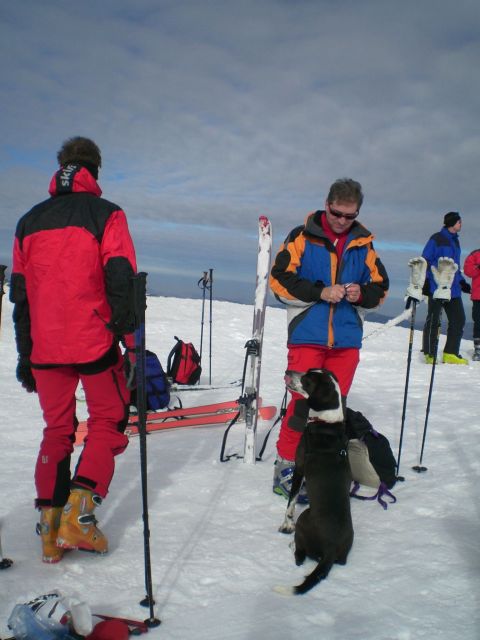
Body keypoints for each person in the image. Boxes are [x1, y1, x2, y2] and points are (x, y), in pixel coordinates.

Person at [10, 137, 137, 563]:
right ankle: (77, 518)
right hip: (93, 341)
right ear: (94, 171)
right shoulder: (107, 214)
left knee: (57, 429)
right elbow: (121, 278)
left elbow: (20, 296)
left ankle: (50, 530)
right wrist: (131, 342)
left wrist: (25, 355)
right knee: (109, 420)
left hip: (44, 346)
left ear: (61, 167)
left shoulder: (28, 222)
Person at [269, 178, 389, 499]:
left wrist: (361, 293)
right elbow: (279, 280)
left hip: (346, 342)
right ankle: (286, 466)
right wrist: (319, 292)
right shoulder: (302, 236)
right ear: (327, 205)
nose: (342, 221)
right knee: (301, 405)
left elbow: (380, 289)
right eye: (337, 214)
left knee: (334, 409)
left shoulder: (364, 245)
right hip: (307, 336)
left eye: (350, 216)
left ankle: (323, 467)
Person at [421, 212, 471, 365]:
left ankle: (450, 353)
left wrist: (462, 282)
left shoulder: (455, 241)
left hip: (453, 289)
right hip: (436, 286)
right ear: (452, 223)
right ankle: (429, 353)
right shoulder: (437, 238)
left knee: (459, 319)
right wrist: (426, 281)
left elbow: (455, 266)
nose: (461, 224)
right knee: (434, 319)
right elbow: (425, 260)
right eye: (459, 221)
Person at [463, 247, 480, 361]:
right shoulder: (475, 254)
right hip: (478, 295)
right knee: (478, 322)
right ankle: (478, 349)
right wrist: (478, 268)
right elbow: (468, 271)